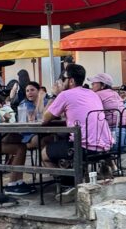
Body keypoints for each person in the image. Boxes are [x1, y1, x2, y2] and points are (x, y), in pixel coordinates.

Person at [41, 63, 112, 197]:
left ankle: (68, 184)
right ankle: (74, 179)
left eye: (64, 79)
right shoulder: (92, 93)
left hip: (83, 147)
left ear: (71, 80)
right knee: (54, 142)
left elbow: (45, 118)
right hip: (104, 146)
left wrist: (54, 95)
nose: (62, 82)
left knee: (44, 154)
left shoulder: (65, 95)